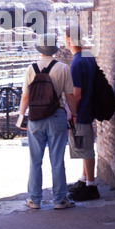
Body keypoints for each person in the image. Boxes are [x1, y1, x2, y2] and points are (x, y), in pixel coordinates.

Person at [19, 33, 78, 209]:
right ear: (54, 49)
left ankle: (34, 200)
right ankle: (59, 199)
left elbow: (25, 97)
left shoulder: (31, 68)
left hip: (36, 118)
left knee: (35, 160)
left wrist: (22, 116)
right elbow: (69, 95)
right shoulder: (62, 68)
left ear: (39, 49)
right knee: (57, 159)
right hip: (56, 116)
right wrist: (74, 115)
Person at [65, 25, 100, 201]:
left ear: (70, 39)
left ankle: (91, 186)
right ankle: (84, 179)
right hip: (90, 106)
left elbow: (76, 94)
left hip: (82, 110)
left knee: (86, 149)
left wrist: (72, 113)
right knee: (85, 146)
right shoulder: (88, 56)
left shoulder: (77, 62)